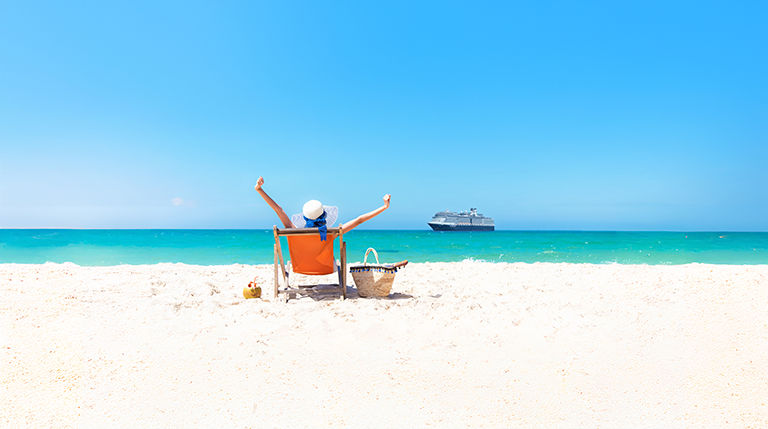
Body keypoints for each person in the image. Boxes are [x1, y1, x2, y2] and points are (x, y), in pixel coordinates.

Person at [254, 177, 390, 236]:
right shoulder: (329, 233)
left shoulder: (294, 232)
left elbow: (278, 210)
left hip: (300, 266)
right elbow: (359, 220)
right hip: (325, 268)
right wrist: (384, 207)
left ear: (304, 218)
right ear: (324, 216)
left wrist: (259, 190)